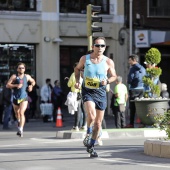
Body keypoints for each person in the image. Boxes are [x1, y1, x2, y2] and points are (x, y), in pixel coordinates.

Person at [74, 37, 117, 157]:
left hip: (101, 93)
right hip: (88, 91)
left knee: (98, 124)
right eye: (97, 45)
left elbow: (114, 76)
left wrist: (107, 81)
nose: (100, 48)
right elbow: (77, 69)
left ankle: (91, 145)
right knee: (91, 116)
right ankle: (88, 132)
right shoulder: (85, 58)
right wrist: (77, 81)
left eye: (102, 46)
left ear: (105, 47)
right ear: (93, 47)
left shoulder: (108, 62)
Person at [6, 62, 35, 137]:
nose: (21, 69)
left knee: (22, 112)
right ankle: (18, 121)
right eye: (20, 68)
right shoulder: (14, 76)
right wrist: (16, 85)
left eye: (23, 68)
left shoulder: (27, 76)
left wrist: (31, 86)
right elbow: (7, 85)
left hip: (24, 97)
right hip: (16, 97)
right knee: (17, 113)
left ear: (25, 69)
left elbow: (33, 81)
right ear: (17, 69)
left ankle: (20, 129)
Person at [125, 54, 146, 128]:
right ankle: (142, 123)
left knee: (132, 107)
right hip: (141, 89)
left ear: (134, 60)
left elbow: (130, 79)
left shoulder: (133, 68)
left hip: (133, 89)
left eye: (130, 60)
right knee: (140, 107)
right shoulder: (143, 68)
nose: (128, 62)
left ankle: (131, 123)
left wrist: (128, 81)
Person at [66, 62, 86, 131]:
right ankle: (84, 125)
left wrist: (68, 81)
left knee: (77, 110)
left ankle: (76, 126)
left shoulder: (73, 74)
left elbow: (69, 84)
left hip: (75, 93)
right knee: (84, 109)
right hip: (82, 93)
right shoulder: (83, 74)